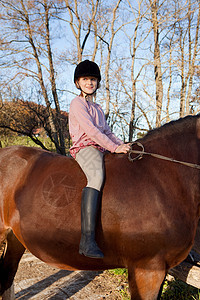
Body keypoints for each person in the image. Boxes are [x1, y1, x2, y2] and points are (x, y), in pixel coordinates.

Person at [69, 60, 130, 259]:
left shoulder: (98, 108)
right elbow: (92, 131)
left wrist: (124, 146)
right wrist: (113, 147)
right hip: (85, 147)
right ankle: (86, 240)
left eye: (93, 79)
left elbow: (107, 132)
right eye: (85, 79)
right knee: (96, 177)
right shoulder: (77, 103)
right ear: (78, 82)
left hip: (101, 146)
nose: (89, 82)